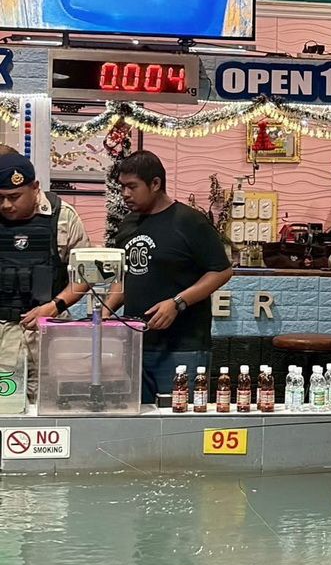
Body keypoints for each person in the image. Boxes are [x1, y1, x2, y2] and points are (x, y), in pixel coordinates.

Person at [106, 151, 233, 403]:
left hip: (183, 347)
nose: (125, 194)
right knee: (137, 418)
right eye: (122, 187)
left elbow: (222, 271)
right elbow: (125, 275)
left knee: (180, 417)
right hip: (136, 344)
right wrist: (107, 311)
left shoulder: (189, 221)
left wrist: (178, 302)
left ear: (155, 183)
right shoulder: (128, 224)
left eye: (132, 186)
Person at [0, 151, 92, 401]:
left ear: (35, 188)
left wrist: (54, 306)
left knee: (55, 404)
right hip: (4, 336)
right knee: (6, 406)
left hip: (51, 332)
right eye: (0, 198)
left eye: (14, 197)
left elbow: (86, 275)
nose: (6, 205)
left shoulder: (63, 216)